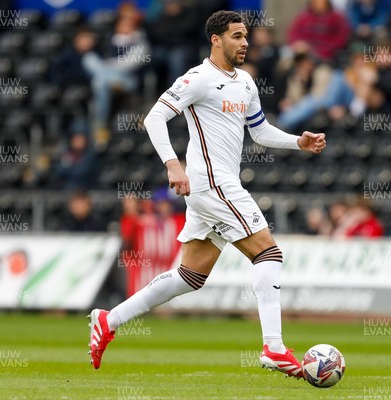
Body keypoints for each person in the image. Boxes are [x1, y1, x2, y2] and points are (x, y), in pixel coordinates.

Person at [87, 11, 327, 379]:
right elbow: (154, 118)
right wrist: (172, 164)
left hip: (216, 185)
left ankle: (109, 318)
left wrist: (298, 141)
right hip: (212, 183)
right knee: (269, 253)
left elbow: (259, 132)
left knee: (190, 275)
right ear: (216, 40)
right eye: (236, 36)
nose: (244, 42)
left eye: (246, 36)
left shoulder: (245, 82)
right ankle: (274, 348)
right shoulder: (198, 79)